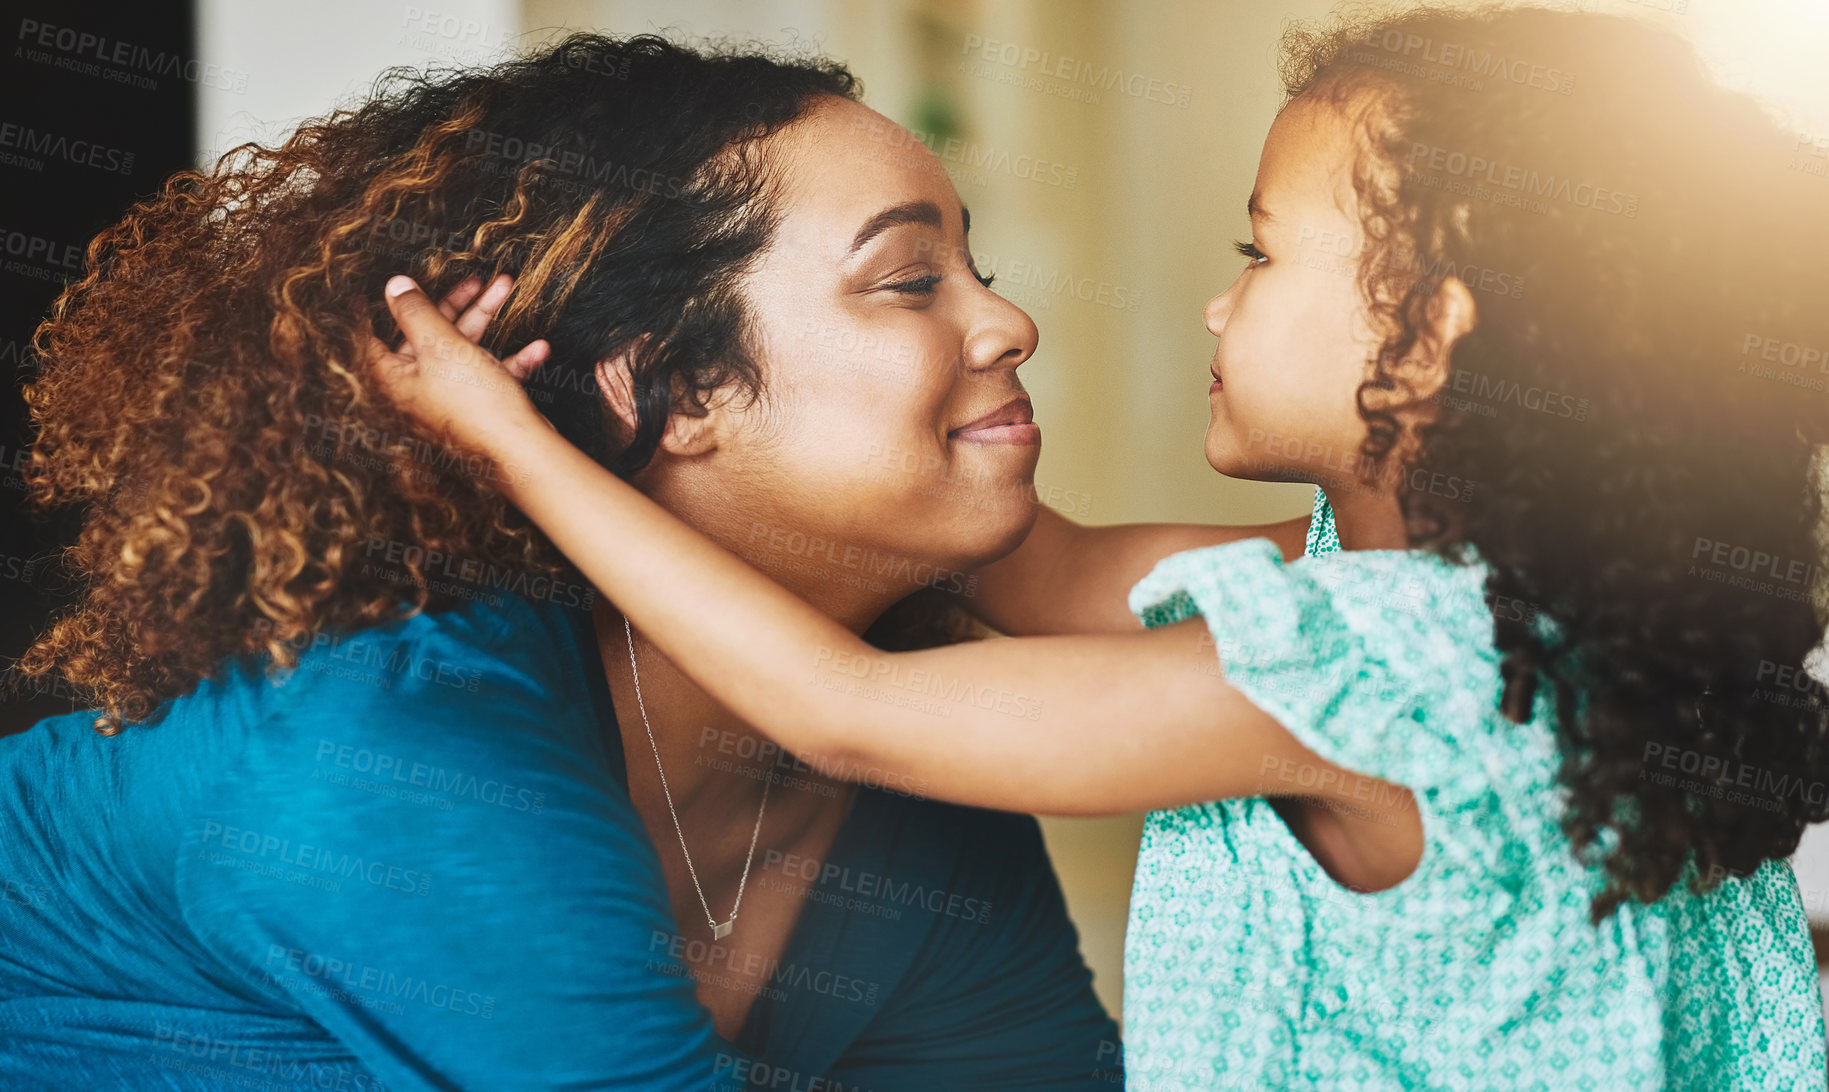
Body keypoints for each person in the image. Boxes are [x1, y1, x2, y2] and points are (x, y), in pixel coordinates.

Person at [371, 6, 1829, 1089]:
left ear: (1434, 330)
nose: (1216, 305)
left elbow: (844, 710)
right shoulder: (1439, 610)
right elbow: (1050, 575)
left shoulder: (1375, 673)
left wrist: (518, 443)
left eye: (1259, 257)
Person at [0, 34, 1118, 1090]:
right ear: (660, 386)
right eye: (908, 280)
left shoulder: (918, 781)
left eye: (976, 266)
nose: (1009, 322)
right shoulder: (392, 737)